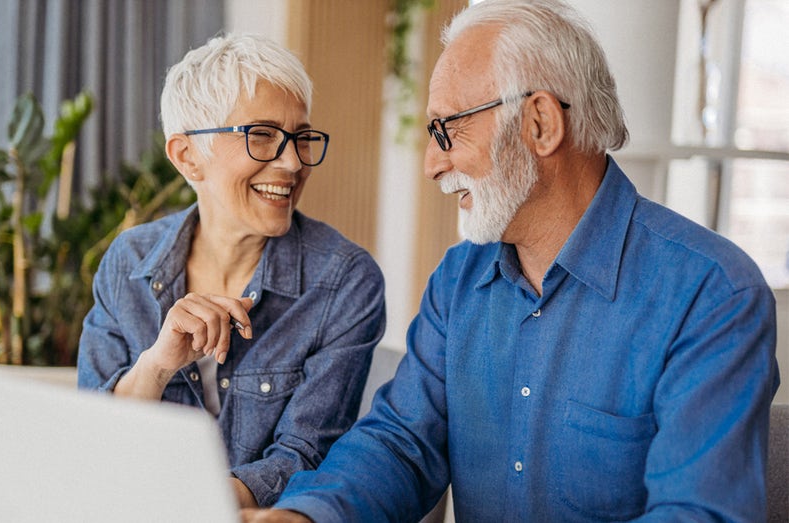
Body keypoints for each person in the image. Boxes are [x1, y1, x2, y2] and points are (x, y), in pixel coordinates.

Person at [242, 1, 780, 521]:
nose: (433, 164)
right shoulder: (458, 279)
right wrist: (306, 516)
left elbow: (699, 514)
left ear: (540, 122)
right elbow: (401, 444)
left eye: (446, 129)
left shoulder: (712, 294)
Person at [76, 33, 386, 509]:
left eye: (301, 137)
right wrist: (157, 365)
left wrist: (190, 508)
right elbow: (90, 446)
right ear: (186, 156)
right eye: (261, 136)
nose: (292, 163)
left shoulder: (345, 280)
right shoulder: (127, 263)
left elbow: (305, 457)